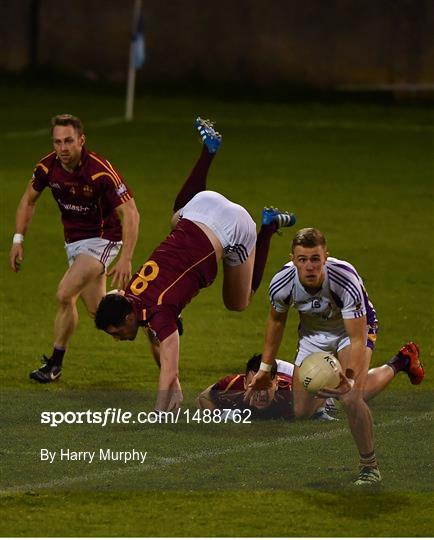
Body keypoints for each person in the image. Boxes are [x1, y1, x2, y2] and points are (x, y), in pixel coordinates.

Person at [95, 117, 296, 413]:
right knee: (175, 216)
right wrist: (174, 381)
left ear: (127, 319)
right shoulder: (131, 293)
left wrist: (159, 413)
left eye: (115, 332)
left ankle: (265, 229)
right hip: (201, 204)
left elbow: (167, 360)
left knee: (238, 302)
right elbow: (145, 328)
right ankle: (208, 152)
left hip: (235, 226)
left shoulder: (159, 313)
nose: (117, 339)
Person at [246, 228, 424, 485]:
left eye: (315, 258)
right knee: (302, 411)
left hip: (350, 330)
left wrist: (350, 379)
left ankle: (369, 466)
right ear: (293, 259)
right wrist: (264, 368)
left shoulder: (344, 280)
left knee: (352, 397)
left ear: (325, 257)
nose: (309, 266)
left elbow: (357, 339)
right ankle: (402, 361)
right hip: (312, 334)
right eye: (303, 259)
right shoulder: (282, 283)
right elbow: (276, 322)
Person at [9, 114, 140, 383]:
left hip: (103, 240)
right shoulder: (47, 168)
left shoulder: (100, 170)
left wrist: (126, 258)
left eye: (69, 141)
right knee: (101, 314)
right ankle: (146, 308)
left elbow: (131, 213)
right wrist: (18, 239)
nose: (63, 148)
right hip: (74, 244)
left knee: (64, 293)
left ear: (81, 140)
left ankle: (54, 364)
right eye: (57, 142)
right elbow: (28, 200)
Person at [198, 344, 422, 420]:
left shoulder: (290, 394)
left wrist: (324, 399)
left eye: (264, 387)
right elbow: (203, 397)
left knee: (352, 395)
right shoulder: (233, 385)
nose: (258, 393)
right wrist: (221, 414)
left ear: (275, 384)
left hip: (307, 384)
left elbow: (312, 403)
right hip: (276, 369)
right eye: (253, 385)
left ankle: (400, 360)